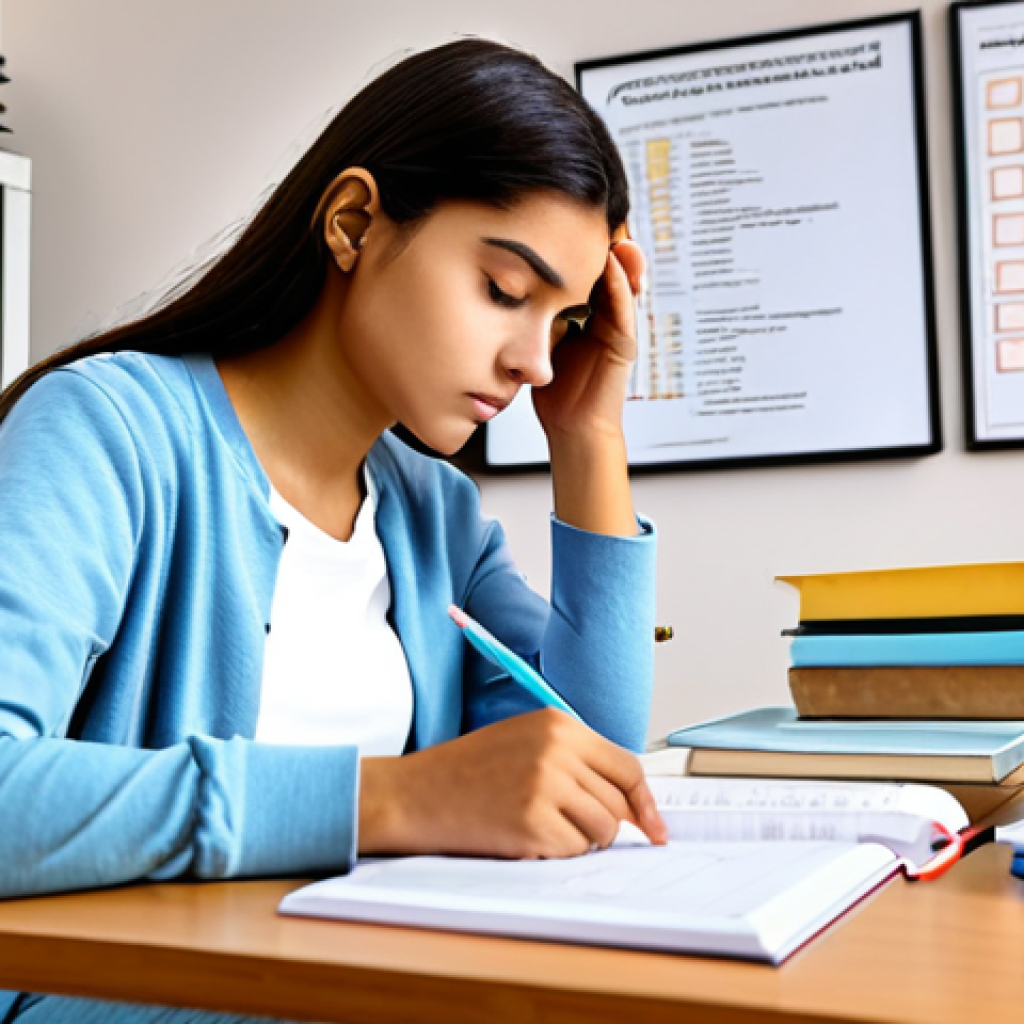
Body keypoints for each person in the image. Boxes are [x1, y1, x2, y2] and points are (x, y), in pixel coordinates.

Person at [0, 37, 665, 1023]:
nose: (533, 360)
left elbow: (591, 772)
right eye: (505, 291)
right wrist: (386, 800)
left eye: (562, 325)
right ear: (353, 221)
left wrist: (589, 434)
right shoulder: (108, 431)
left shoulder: (434, 517)